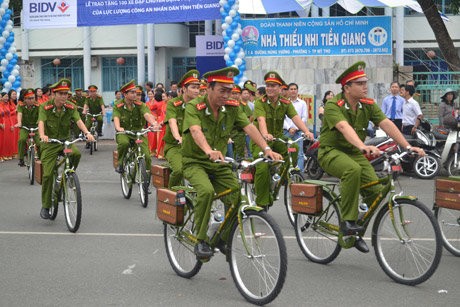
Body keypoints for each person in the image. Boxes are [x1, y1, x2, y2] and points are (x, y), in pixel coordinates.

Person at [318, 62, 425, 253]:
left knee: (376, 191)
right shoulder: (334, 105)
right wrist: (362, 145)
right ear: (347, 88)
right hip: (330, 151)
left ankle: (355, 229)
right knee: (353, 170)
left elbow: (386, 124)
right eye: (359, 83)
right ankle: (348, 223)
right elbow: (344, 127)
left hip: (354, 152)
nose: (365, 86)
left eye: (365, 82)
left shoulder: (367, 105)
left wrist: (407, 146)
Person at [181, 67, 282, 258]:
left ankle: (222, 238)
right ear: (209, 88)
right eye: (222, 90)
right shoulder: (194, 107)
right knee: (206, 191)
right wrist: (208, 150)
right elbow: (195, 131)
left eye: (229, 91)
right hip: (195, 161)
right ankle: (201, 240)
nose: (227, 95)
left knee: (237, 195)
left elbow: (249, 128)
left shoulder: (232, 108)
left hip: (220, 163)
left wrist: (266, 149)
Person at [251, 71, 314, 209]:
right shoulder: (259, 103)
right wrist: (265, 134)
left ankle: (283, 176)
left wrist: (307, 131)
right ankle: (261, 203)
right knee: (262, 166)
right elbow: (261, 120)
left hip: (278, 138)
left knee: (294, 148)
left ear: (280, 89)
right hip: (261, 140)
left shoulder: (285, 103)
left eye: (273, 85)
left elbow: (295, 118)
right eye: (268, 85)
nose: (270, 88)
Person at [38, 79, 95, 219]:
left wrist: (87, 133)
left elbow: (78, 121)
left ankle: (67, 175)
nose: (64, 96)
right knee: (47, 175)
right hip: (50, 143)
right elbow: (41, 122)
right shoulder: (45, 107)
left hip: (65, 141)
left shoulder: (71, 107)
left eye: (66, 94)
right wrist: (42, 135)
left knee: (76, 154)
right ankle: (46, 206)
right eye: (61, 94)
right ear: (53, 94)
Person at [163, 69, 201, 188]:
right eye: (193, 87)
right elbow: (172, 121)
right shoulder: (173, 103)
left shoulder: (200, 104)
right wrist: (178, 137)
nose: (197, 90)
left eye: (198, 87)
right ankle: (170, 195)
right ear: (184, 89)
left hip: (194, 146)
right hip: (174, 145)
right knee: (179, 170)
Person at [113, 80, 157, 174]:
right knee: (124, 144)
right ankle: (120, 163)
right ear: (125, 94)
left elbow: (147, 115)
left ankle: (146, 178)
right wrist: (118, 128)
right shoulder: (118, 105)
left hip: (138, 132)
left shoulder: (140, 105)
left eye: (136, 93)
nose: (135, 95)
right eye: (132, 92)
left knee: (147, 156)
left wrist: (154, 124)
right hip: (124, 132)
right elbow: (116, 118)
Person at [283, 82, 308, 170]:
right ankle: (286, 172)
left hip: (298, 132)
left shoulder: (302, 103)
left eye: (295, 89)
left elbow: (304, 117)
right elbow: (283, 118)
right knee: (286, 152)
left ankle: (299, 174)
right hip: (287, 131)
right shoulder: (284, 103)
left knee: (299, 153)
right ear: (288, 91)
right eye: (291, 89)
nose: (293, 91)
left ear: (297, 91)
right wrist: (289, 128)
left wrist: (297, 128)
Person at [15, 89, 40, 166]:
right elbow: (19, 114)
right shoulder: (21, 106)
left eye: (33, 98)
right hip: (25, 127)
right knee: (22, 140)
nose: (31, 100)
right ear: (25, 99)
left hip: (36, 128)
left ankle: (41, 157)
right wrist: (19, 122)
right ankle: (21, 158)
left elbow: (41, 116)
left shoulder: (38, 106)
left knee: (40, 143)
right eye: (29, 98)